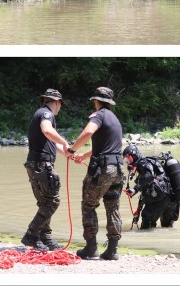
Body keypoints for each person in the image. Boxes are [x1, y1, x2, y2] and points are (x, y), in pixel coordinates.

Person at [68, 87, 124, 261]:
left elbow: (88, 132)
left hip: (102, 170)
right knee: (113, 207)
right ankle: (112, 250)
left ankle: (91, 249)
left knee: (88, 205)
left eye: (94, 100)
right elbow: (105, 147)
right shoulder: (115, 119)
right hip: (118, 169)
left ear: (96, 101)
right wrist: (83, 156)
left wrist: (72, 149)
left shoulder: (98, 116)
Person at [22, 89, 73, 251]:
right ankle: (31, 235)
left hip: (34, 164)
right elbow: (47, 130)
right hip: (42, 165)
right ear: (57, 102)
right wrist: (64, 141)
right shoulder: (46, 114)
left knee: (44, 202)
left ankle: (45, 237)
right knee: (52, 201)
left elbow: (50, 142)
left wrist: (66, 152)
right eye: (60, 105)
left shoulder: (39, 113)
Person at [122, 145, 180, 229]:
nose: (128, 163)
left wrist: (135, 189)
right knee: (167, 227)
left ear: (134, 156)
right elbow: (146, 189)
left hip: (161, 199)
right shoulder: (150, 162)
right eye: (125, 161)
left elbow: (149, 175)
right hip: (172, 198)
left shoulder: (142, 163)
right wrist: (138, 210)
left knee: (147, 226)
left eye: (128, 159)